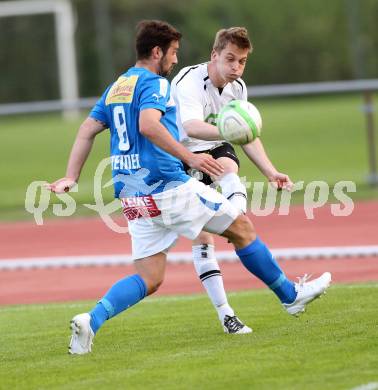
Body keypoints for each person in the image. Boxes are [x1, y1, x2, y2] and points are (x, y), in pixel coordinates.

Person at [47, 20, 331, 355]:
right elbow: (149, 126)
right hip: (167, 187)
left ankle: (90, 321)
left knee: (150, 277)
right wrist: (190, 158)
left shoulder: (118, 86)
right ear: (157, 52)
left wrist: (71, 176)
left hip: (131, 194)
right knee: (242, 229)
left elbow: (86, 130)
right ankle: (290, 297)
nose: (175, 60)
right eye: (173, 52)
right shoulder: (157, 84)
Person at [171, 27, 293, 334]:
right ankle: (226, 314)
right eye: (230, 59)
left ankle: (233, 216)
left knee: (227, 165)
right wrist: (230, 130)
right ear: (214, 55)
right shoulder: (190, 81)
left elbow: (247, 135)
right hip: (182, 155)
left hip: (213, 146)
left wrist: (270, 171)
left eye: (241, 61)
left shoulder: (237, 87)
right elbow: (191, 127)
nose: (236, 67)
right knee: (202, 239)